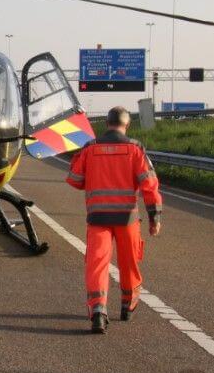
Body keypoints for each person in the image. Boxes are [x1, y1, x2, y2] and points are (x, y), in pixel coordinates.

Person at [66, 106, 162, 334]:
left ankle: (98, 311)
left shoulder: (90, 148)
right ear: (126, 125)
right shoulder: (135, 149)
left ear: (107, 124)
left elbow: (75, 180)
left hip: (98, 218)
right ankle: (128, 305)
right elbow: (149, 184)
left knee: (97, 264)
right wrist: (154, 216)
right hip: (128, 219)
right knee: (129, 263)